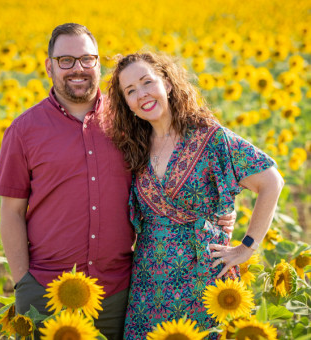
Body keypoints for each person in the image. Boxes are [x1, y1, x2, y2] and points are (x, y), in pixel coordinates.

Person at [0, 24, 236, 340]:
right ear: (48, 65)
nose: (77, 68)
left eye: (87, 59)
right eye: (65, 60)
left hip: (119, 292)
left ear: (98, 63)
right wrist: (23, 282)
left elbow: (178, 160)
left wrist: (217, 208)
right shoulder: (24, 130)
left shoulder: (131, 119)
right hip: (46, 290)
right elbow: (11, 211)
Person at [106, 52, 284, 339]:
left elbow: (271, 182)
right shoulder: (134, 147)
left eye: (146, 82)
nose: (141, 94)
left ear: (168, 83)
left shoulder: (210, 137)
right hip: (150, 287)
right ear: (126, 104)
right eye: (130, 91)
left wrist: (246, 247)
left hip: (205, 279)